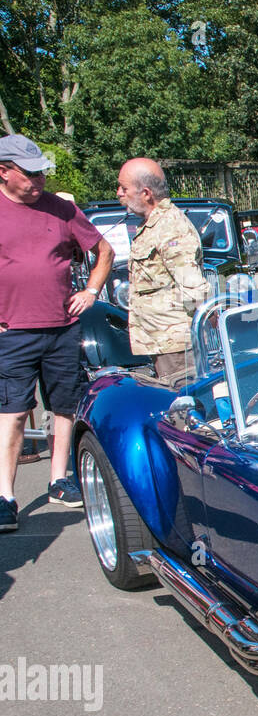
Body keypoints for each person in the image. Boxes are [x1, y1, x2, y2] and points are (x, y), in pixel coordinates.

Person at [1, 134, 113, 528]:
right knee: (13, 412)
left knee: (63, 407)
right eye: (29, 174)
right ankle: (5, 495)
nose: (38, 181)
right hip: (11, 330)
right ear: (3, 172)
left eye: (42, 173)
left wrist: (91, 291)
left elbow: (104, 251)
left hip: (62, 328)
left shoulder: (62, 209)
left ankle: (59, 479)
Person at [116, 157, 210, 386]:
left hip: (176, 345)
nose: (119, 193)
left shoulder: (170, 227)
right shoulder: (153, 224)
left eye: (124, 188)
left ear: (146, 193)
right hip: (161, 341)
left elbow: (192, 284)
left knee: (182, 408)